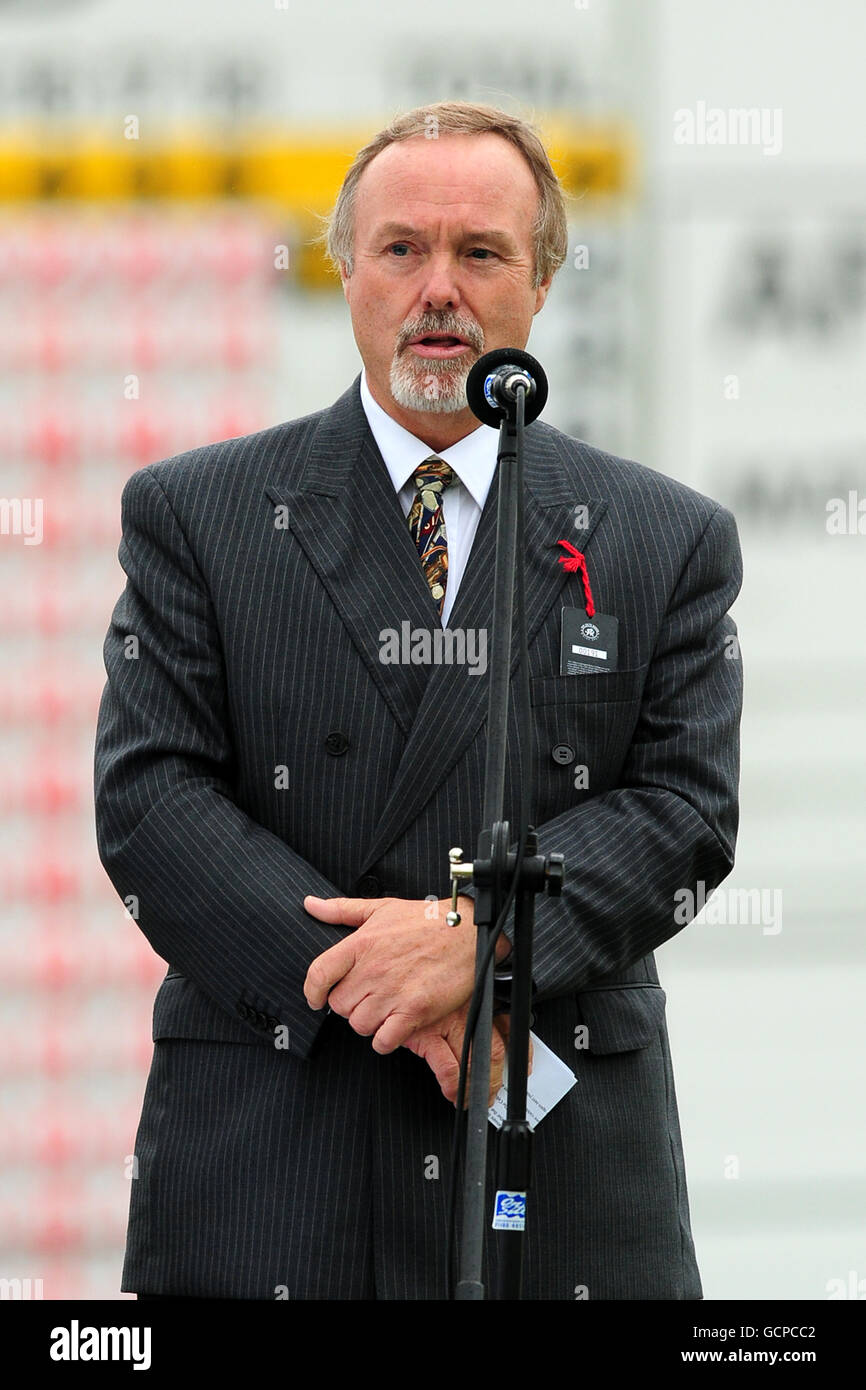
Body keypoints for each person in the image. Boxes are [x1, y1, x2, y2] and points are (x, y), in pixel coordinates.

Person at [94, 100, 743, 1300]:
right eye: (401, 248)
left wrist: (474, 943)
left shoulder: (664, 538)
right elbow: (150, 803)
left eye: (480, 252)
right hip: (276, 1161)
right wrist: (391, 983)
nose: (437, 288)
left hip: (553, 1176)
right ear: (347, 271)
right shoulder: (200, 517)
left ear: (540, 282)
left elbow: (684, 813)